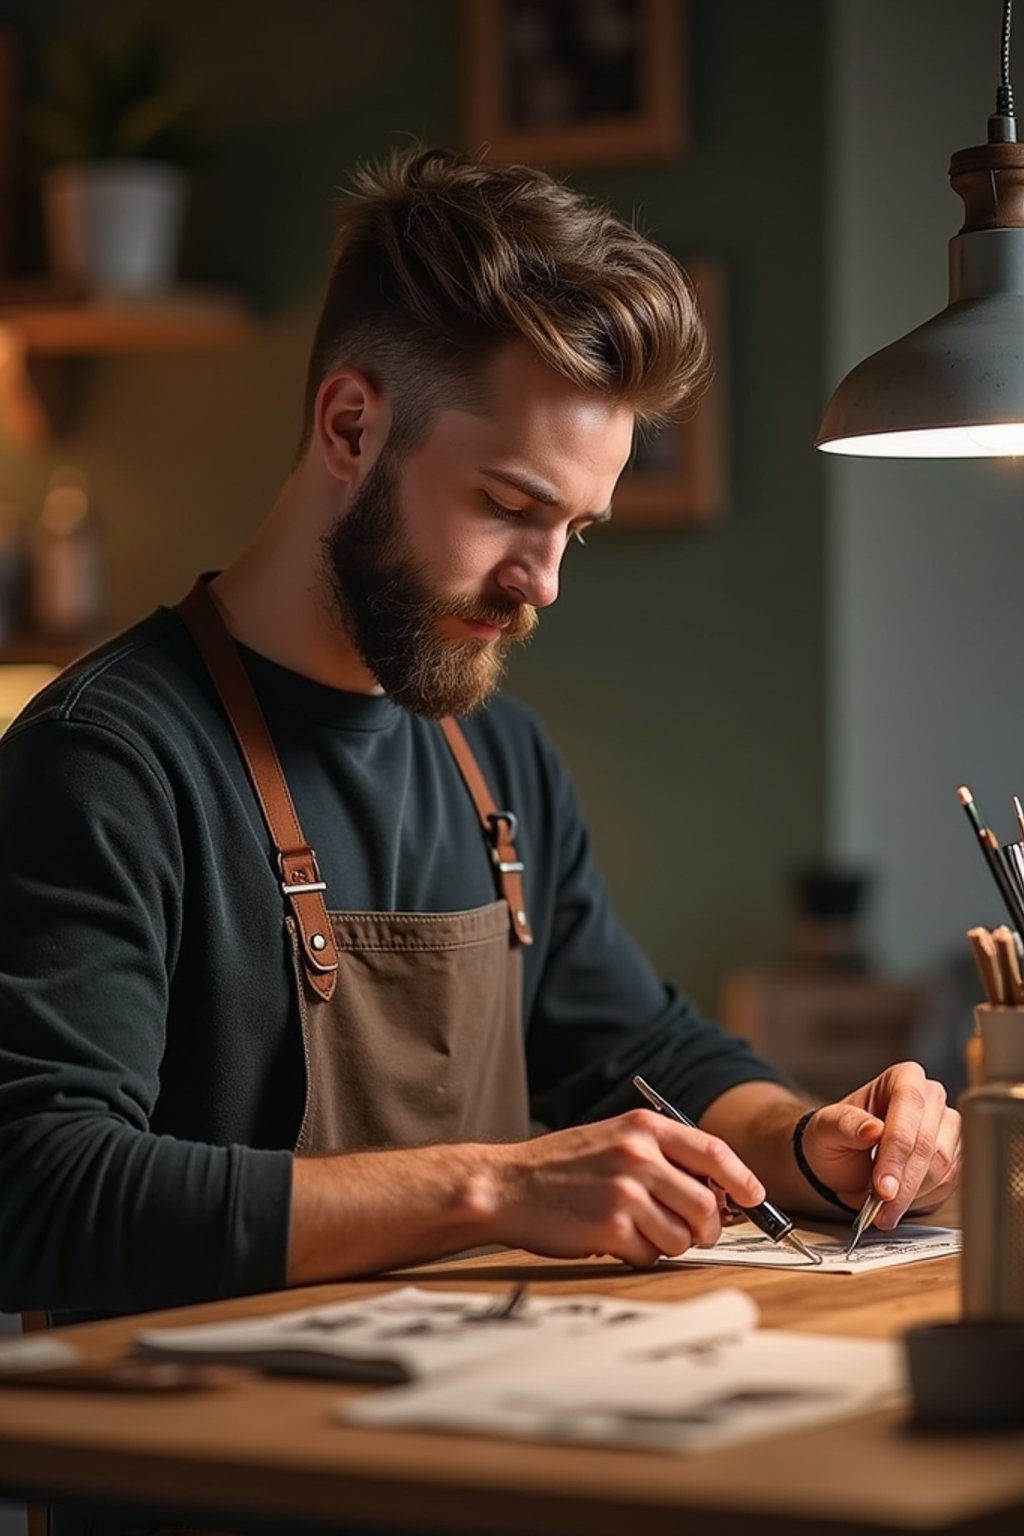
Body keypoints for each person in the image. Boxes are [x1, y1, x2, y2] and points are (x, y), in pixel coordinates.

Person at [0, 148, 959, 1323]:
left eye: (577, 528)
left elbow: (634, 1047)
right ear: (351, 424)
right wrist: (493, 1185)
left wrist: (812, 1142)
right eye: (509, 506)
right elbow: (34, 1191)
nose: (544, 581)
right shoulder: (109, 761)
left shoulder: (496, 761)